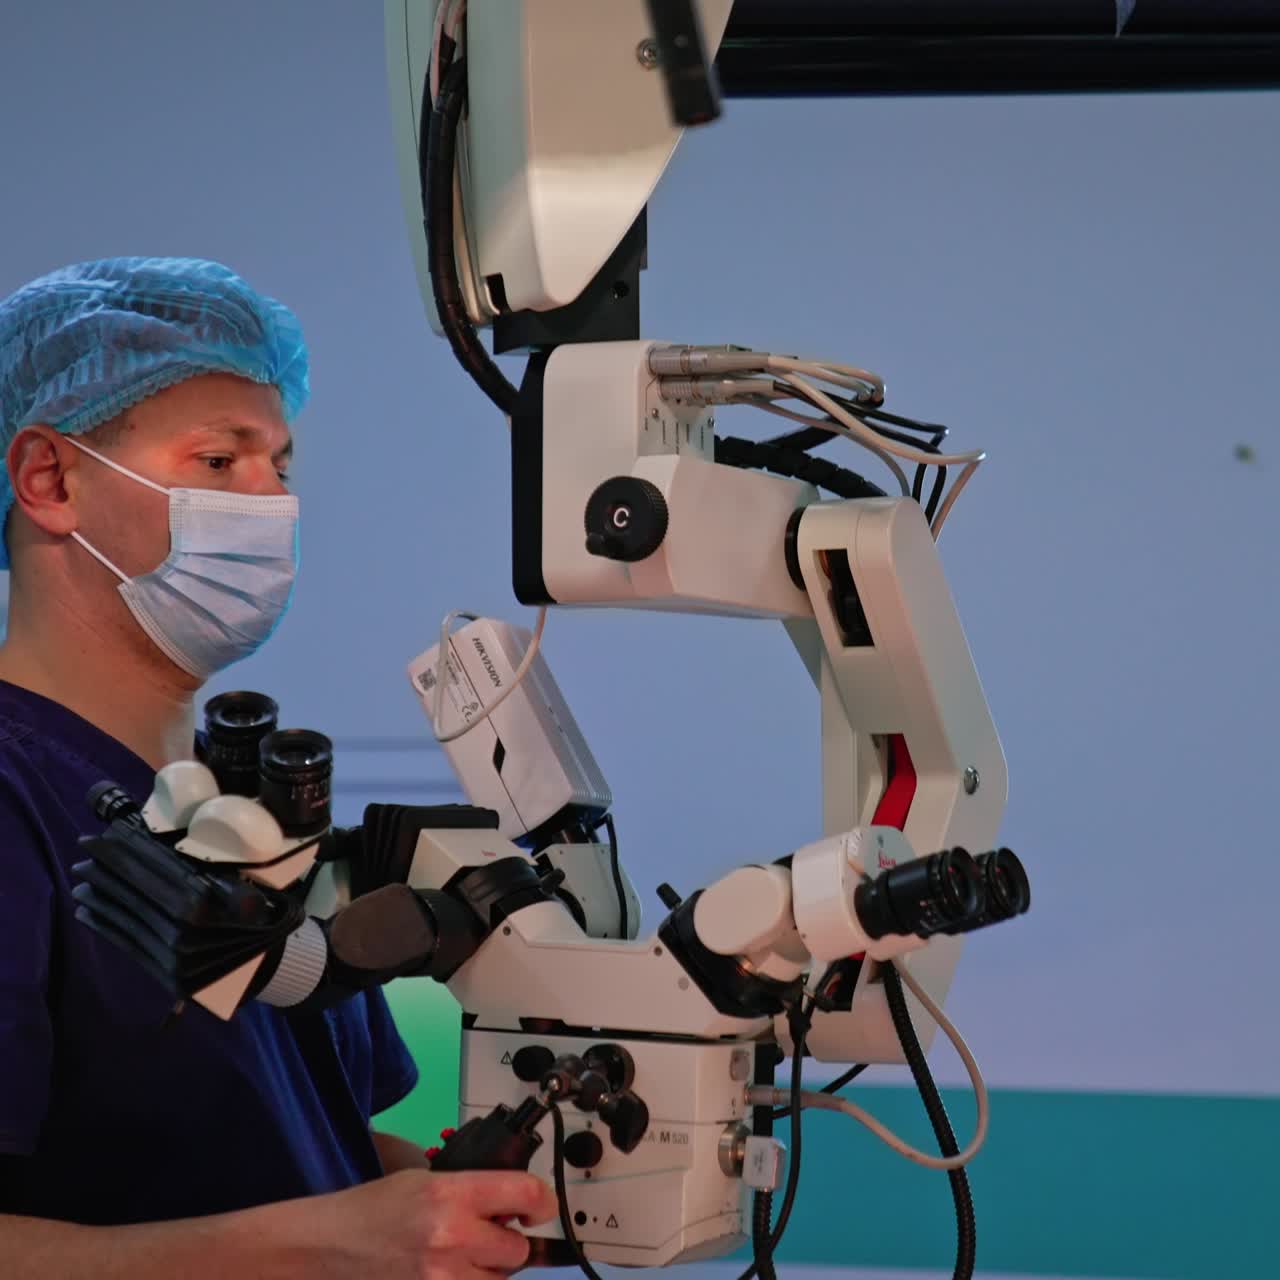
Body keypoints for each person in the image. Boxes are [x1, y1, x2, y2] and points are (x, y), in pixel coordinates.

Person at [0, 257, 556, 1277]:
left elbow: (314, 1149)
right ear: (50, 480)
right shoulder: (16, 800)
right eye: (220, 460)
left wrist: (503, 1205)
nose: (272, 500)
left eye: (281, 466)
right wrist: (333, 1244)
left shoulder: (246, 815)